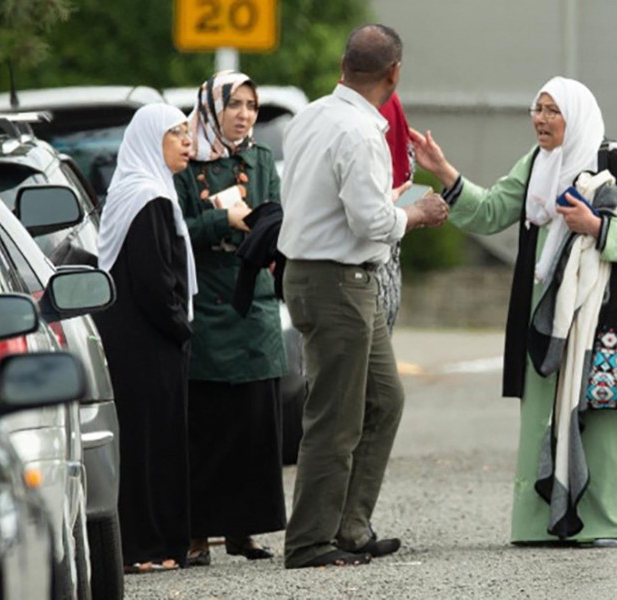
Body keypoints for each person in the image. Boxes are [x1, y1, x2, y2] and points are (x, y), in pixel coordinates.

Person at [411, 77, 617, 546]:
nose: (541, 119)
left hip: (600, 313)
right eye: (537, 108)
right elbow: (489, 211)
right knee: (543, 414)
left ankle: (615, 523)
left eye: (553, 111)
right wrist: (446, 173)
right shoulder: (536, 164)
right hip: (543, 311)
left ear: (577, 115)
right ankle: (539, 523)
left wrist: (596, 226)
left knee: (603, 415)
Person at [277, 23, 449, 569]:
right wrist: (415, 213)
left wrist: (385, 202)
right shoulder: (359, 131)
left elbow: (323, 198)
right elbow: (370, 220)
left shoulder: (312, 116)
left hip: (321, 273)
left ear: (345, 65)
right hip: (338, 282)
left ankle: (348, 525)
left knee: (384, 400)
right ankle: (310, 541)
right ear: (393, 73)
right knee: (335, 416)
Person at [172, 71, 288, 566]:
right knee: (206, 425)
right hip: (207, 302)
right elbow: (177, 229)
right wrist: (224, 220)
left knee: (254, 423)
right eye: (234, 104)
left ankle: (245, 530)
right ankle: (197, 534)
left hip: (254, 301)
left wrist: (266, 229)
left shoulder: (260, 158)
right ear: (211, 106)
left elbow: (277, 213)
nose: (243, 114)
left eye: (251, 105)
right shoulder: (185, 162)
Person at [94, 103, 198, 572]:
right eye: (175, 133)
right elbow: (155, 281)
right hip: (147, 342)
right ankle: (145, 548)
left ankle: (155, 544)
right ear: (150, 140)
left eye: (185, 131)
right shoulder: (147, 198)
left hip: (142, 338)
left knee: (152, 440)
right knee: (149, 443)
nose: (186, 141)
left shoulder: (144, 189)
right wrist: (181, 327)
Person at [375, 91, 414, 332]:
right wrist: (415, 214)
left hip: (379, 267)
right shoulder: (364, 132)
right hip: (371, 271)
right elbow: (370, 217)